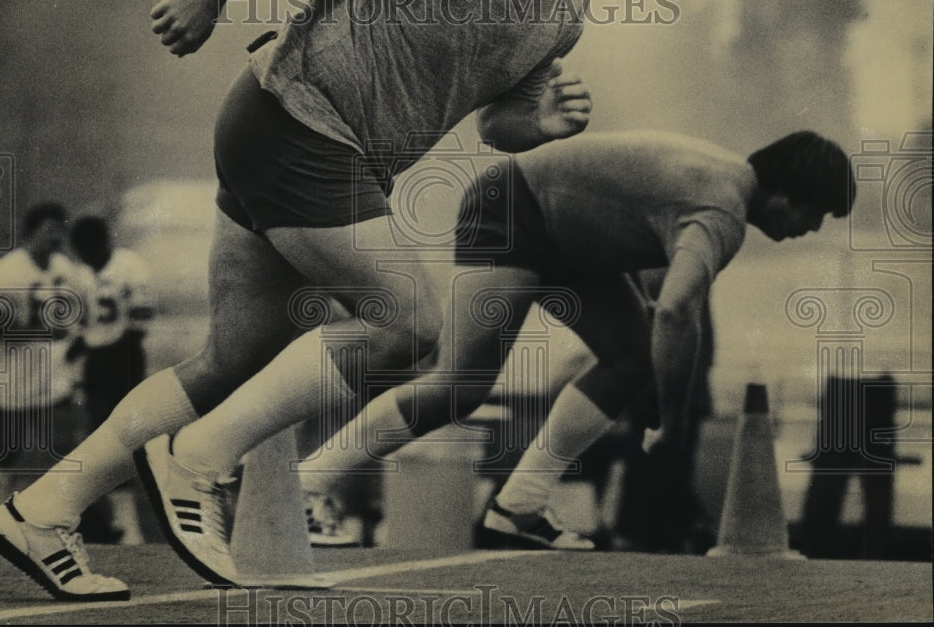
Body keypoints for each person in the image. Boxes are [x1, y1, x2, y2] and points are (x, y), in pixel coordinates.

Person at [0, 0, 655, 599]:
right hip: (292, 121)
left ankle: (44, 508)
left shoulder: (561, 21)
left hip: (307, 150)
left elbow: (494, 124)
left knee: (231, 359)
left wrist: (540, 126)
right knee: (409, 323)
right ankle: (198, 461)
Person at [293, 130, 856, 550]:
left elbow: (661, 298)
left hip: (567, 236)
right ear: (787, 192)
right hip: (513, 208)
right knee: (459, 387)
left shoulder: (725, 180)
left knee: (632, 360)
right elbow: (678, 309)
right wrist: (677, 420)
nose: (812, 229)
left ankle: (518, 508)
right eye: (817, 212)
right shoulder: (724, 209)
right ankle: (304, 485)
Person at [0, 203, 86, 519]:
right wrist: (32, 330)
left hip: (53, 372)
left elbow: (83, 315)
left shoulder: (66, 269)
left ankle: (47, 514)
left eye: (60, 230)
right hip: (11, 372)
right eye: (49, 231)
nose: (56, 238)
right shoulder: (7, 271)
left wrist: (72, 346)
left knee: (59, 444)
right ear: (31, 233)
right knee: (10, 447)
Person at [68, 216, 154, 545]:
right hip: (96, 361)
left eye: (88, 247)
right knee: (99, 435)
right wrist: (80, 348)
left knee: (123, 435)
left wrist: (108, 350)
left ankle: (127, 522)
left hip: (125, 359)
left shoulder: (130, 266)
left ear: (103, 241)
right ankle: (117, 521)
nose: (85, 255)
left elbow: (140, 321)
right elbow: (84, 324)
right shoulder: (81, 275)